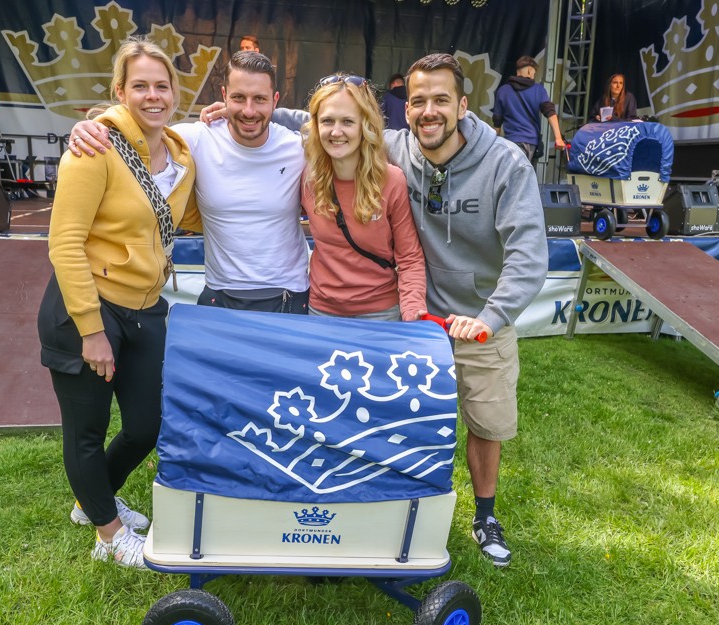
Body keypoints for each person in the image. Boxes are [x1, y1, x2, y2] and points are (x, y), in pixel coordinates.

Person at [272, 53, 547, 567]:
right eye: (418, 101)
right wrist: (249, 111)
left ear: (463, 106)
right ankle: (386, 513)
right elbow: (327, 119)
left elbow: (530, 258)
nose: (429, 111)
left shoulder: (506, 162)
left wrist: (489, 318)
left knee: (485, 422)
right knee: (402, 422)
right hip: (409, 319)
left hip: (475, 317)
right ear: (405, 110)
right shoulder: (398, 146)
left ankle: (484, 514)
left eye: (441, 100)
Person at [37, 37, 201, 568]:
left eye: (162, 85)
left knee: (145, 425)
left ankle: (95, 499)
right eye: (140, 86)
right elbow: (64, 242)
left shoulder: (180, 155)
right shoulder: (94, 148)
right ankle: (109, 534)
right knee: (85, 431)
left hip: (148, 306)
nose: (152, 96)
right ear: (118, 91)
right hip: (86, 307)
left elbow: (180, 219)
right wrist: (90, 330)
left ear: (175, 92)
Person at [67, 51, 310, 314]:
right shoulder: (195, 139)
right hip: (220, 295)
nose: (249, 110)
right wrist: (95, 125)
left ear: (275, 100)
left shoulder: (299, 147)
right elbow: (139, 130)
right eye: (239, 98)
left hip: (289, 295)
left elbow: (344, 131)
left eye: (259, 99)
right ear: (224, 95)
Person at [302, 74, 425, 320]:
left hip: (380, 314)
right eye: (327, 121)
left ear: (365, 125)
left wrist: (412, 310)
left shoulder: (391, 181)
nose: (336, 132)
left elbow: (410, 257)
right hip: (321, 312)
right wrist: (228, 112)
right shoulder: (308, 178)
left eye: (348, 121)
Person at [492, 55, 566, 163]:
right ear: (530, 71)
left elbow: (497, 122)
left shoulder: (502, 91)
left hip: (510, 142)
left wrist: (494, 143)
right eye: (534, 74)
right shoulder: (538, 90)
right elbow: (550, 112)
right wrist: (558, 138)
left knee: (510, 178)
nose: (533, 77)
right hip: (531, 143)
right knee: (527, 178)